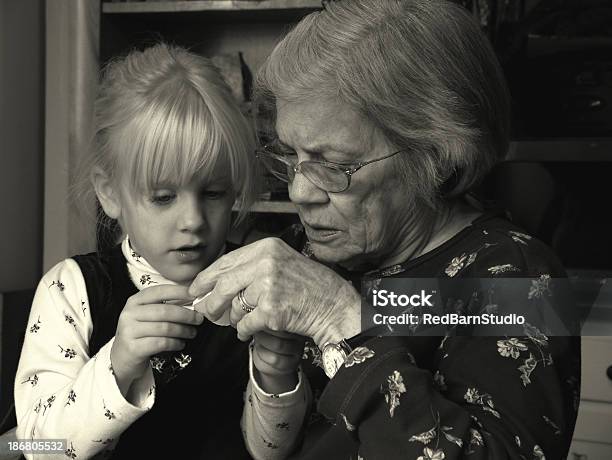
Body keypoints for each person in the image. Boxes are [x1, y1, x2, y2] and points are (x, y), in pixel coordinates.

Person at [188, 1, 581, 459]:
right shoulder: (310, 251)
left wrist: (336, 316)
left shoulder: (515, 281)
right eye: (289, 156)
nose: (298, 192)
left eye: (333, 166)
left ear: (433, 156)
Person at [14, 43, 265, 459]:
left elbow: (277, 449)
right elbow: (39, 445)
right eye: (164, 196)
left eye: (215, 193)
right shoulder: (70, 290)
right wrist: (117, 365)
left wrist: (277, 381)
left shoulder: (255, 283)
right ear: (110, 192)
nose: (193, 220)